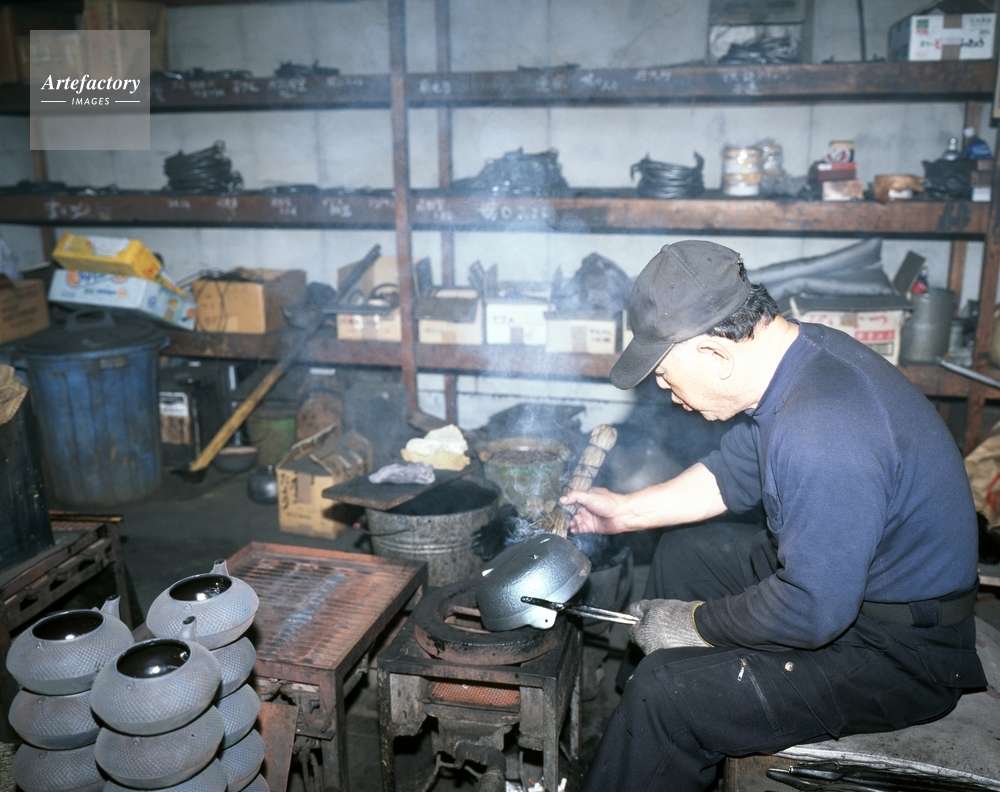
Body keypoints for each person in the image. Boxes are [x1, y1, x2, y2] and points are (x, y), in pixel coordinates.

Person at [561, 240, 986, 792]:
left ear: (716, 354)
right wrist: (623, 512)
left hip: (901, 652)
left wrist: (695, 624)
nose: (665, 392)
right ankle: (638, 746)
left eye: (665, 374)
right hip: (856, 590)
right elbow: (731, 473)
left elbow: (812, 609)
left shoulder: (824, 429)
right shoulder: (797, 359)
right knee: (686, 553)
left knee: (666, 695)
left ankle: (650, 728)